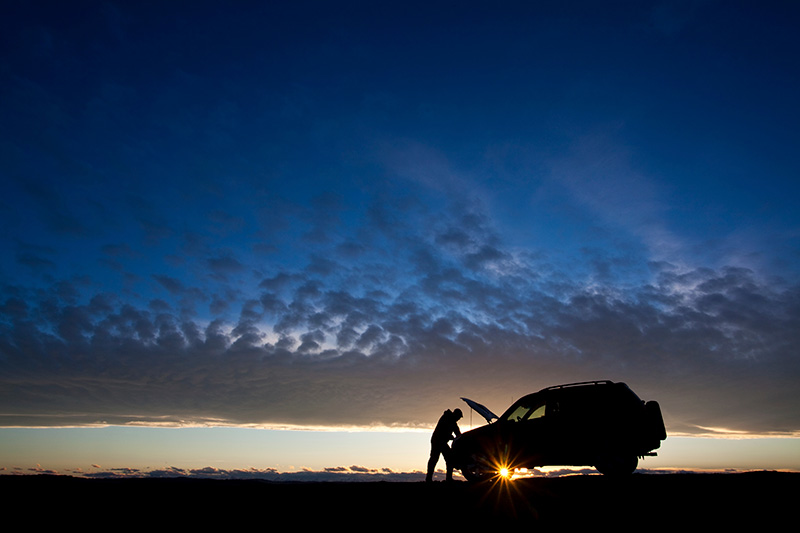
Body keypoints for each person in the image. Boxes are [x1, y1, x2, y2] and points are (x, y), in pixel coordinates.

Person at [426, 407, 463, 482]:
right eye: (458, 417)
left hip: (442, 442)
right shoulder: (446, 418)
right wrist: (450, 436)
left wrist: (461, 438)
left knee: (449, 459)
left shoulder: (453, 422)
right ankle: (429, 479)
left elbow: (458, 434)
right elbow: (442, 431)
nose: (458, 419)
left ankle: (448, 478)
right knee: (434, 459)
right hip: (437, 440)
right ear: (455, 415)